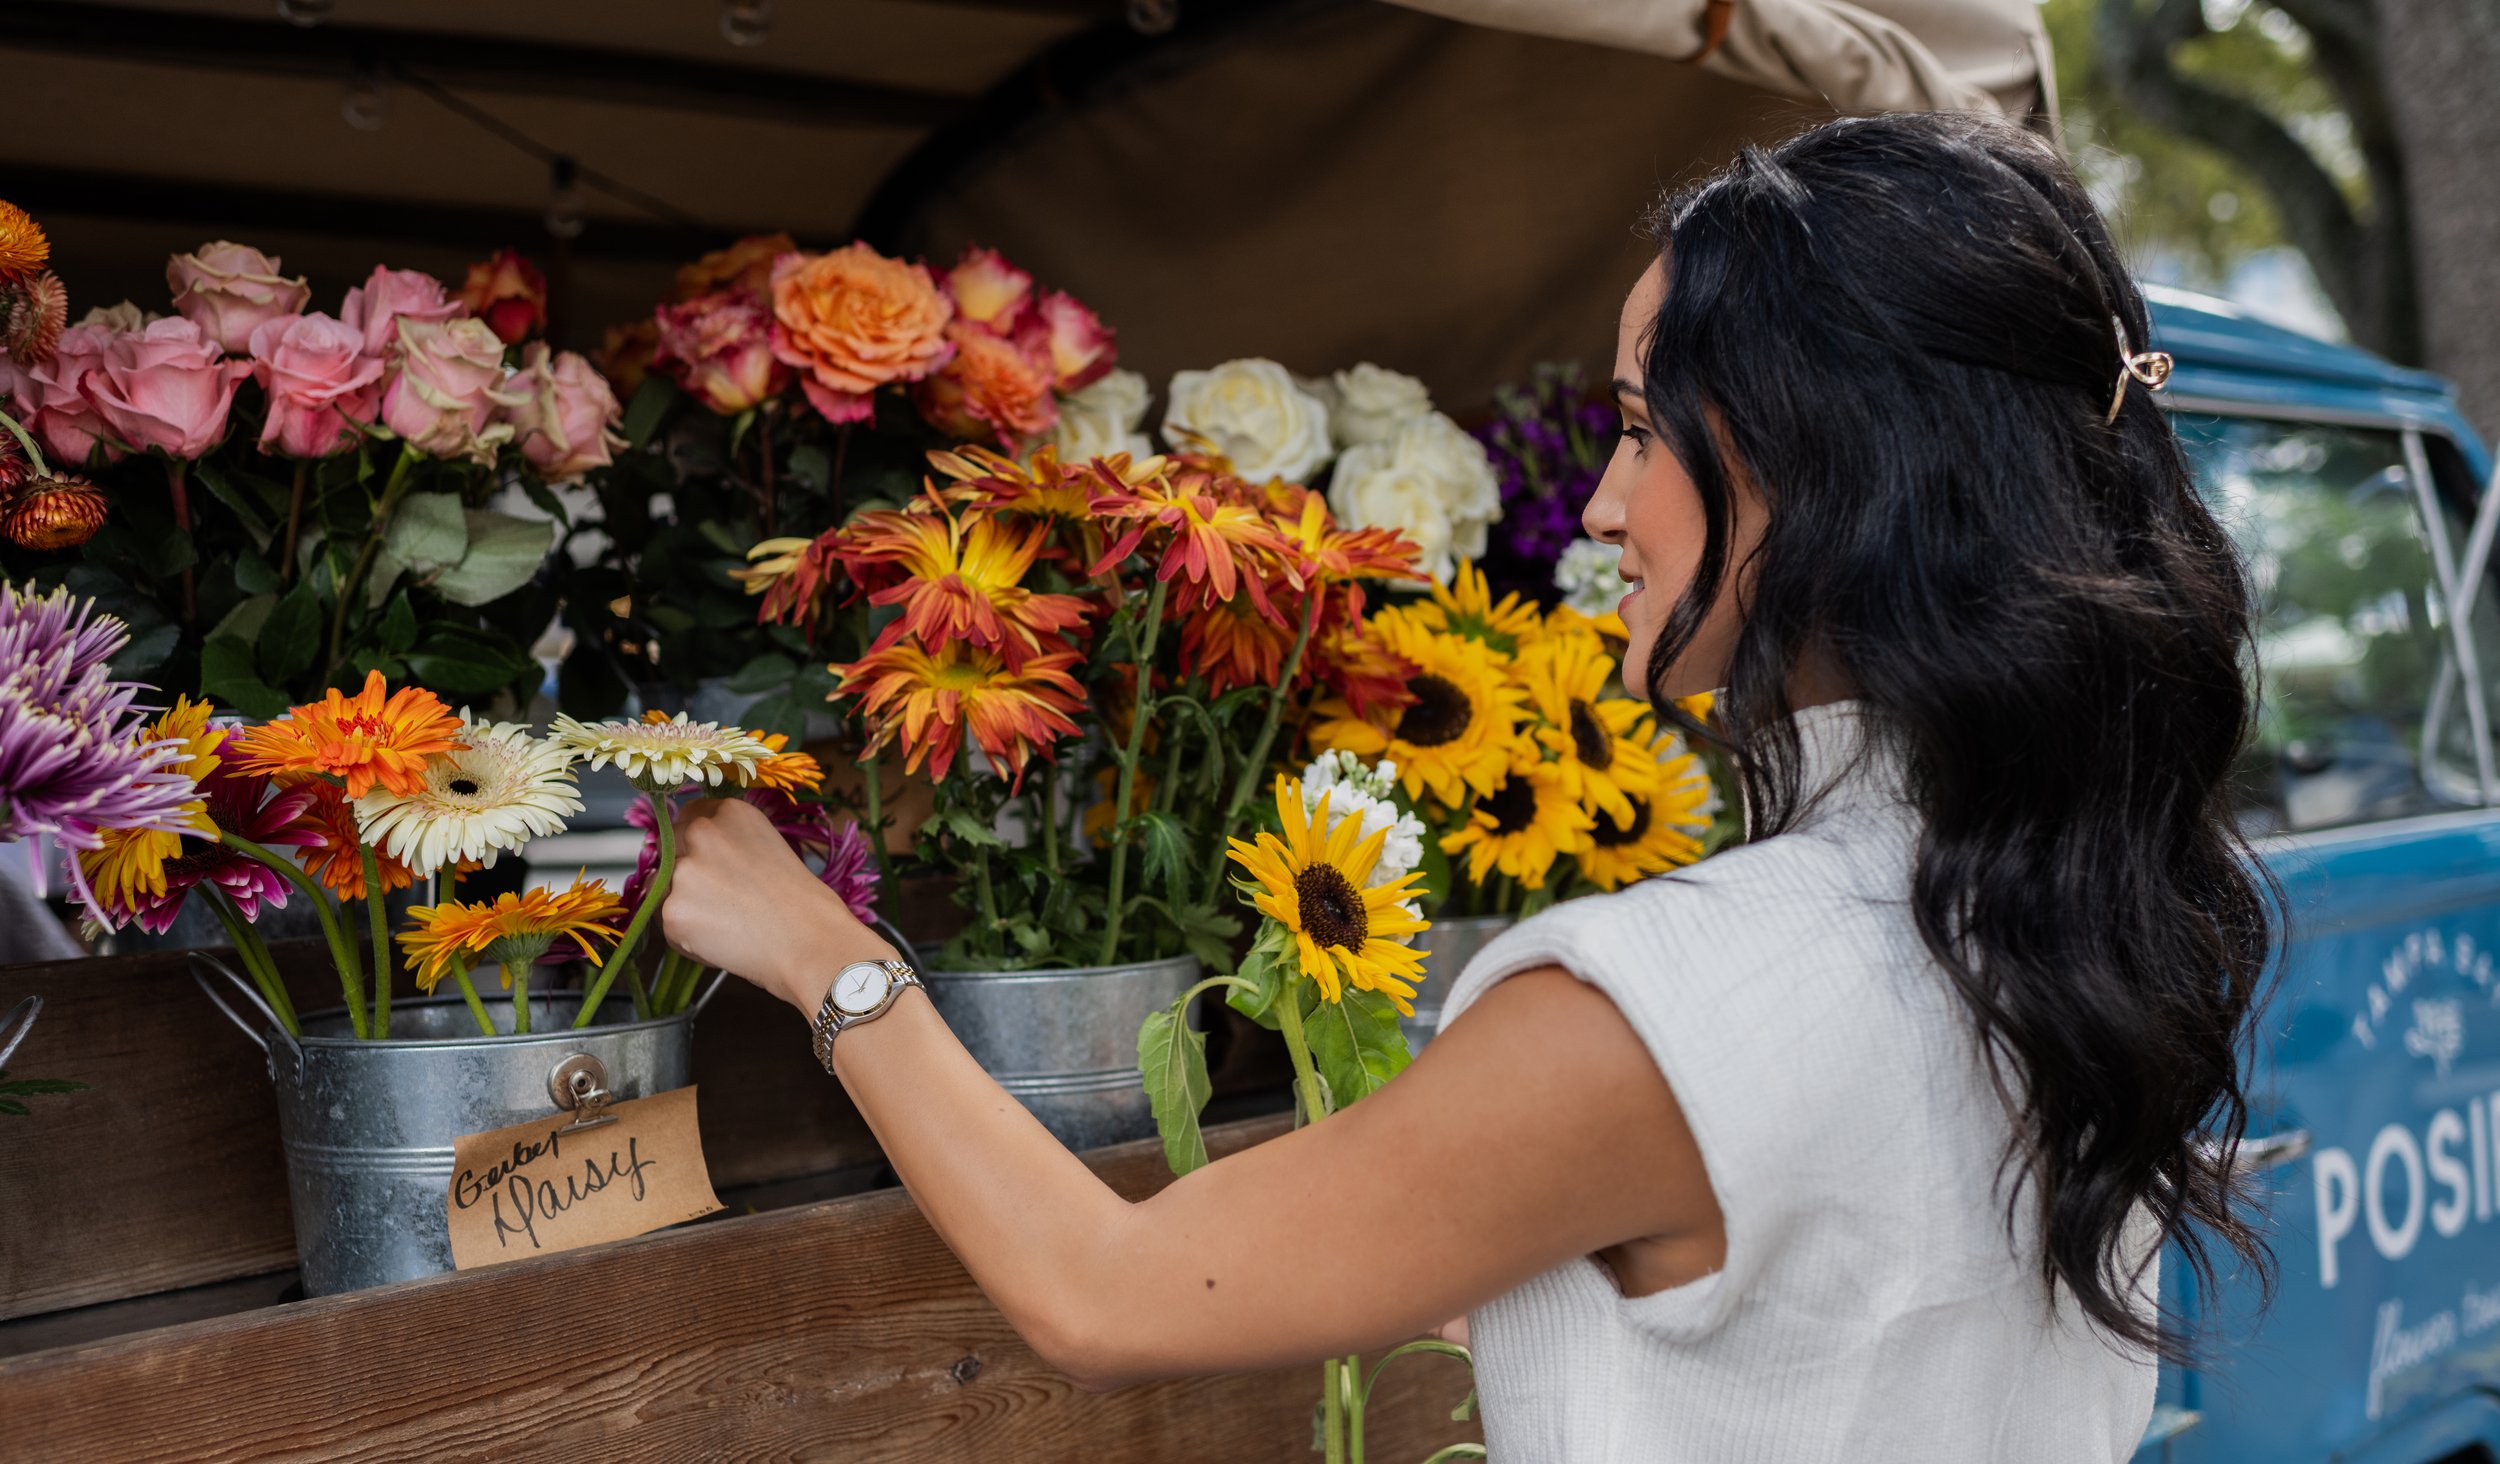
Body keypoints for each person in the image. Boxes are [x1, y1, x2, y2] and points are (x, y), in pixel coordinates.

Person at [661, 110, 2274, 1461]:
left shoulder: (1661, 1007)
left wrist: (829, 956)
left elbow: (1102, 1286)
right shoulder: (2080, 914)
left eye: (1644, 436)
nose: (1594, 505)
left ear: (1829, 469)